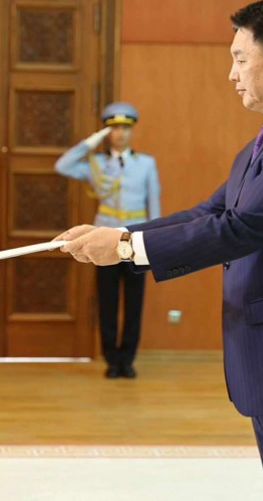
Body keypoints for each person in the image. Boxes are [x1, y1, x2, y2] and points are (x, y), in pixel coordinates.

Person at [57, 0, 263, 501]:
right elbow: (208, 212)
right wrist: (117, 235)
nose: (231, 74)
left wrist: (125, 248)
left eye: (240, 58)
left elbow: (242, 227)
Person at [55, 102, 160, 379]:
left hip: (136, 240)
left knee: (134, 303)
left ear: (132, 131)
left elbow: (154, 205)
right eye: (114, 128)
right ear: (106, 132)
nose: (120, 133)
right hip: (103, 240)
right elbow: (63, 165)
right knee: (108, 300)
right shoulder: (97, 164)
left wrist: (155, 242)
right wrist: (91, 142)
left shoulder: (146, 164)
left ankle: (128, 359)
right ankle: (112, 360)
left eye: (125, 128)